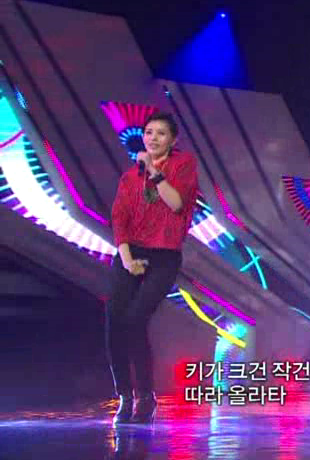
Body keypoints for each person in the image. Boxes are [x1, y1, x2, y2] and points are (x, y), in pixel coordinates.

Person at [109, 112, 199, 424]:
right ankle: (125, 395)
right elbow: (119, 218)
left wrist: (154, 171)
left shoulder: (183, 165)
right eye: (148, 132)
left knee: (135, 318)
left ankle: (145, 396)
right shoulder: (129, 177)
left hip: (164, 254)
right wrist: (126, 258)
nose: (153, 138)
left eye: (161, 133)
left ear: (173, 140)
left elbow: (176, 203)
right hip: (130, 253)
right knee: (114, 320)